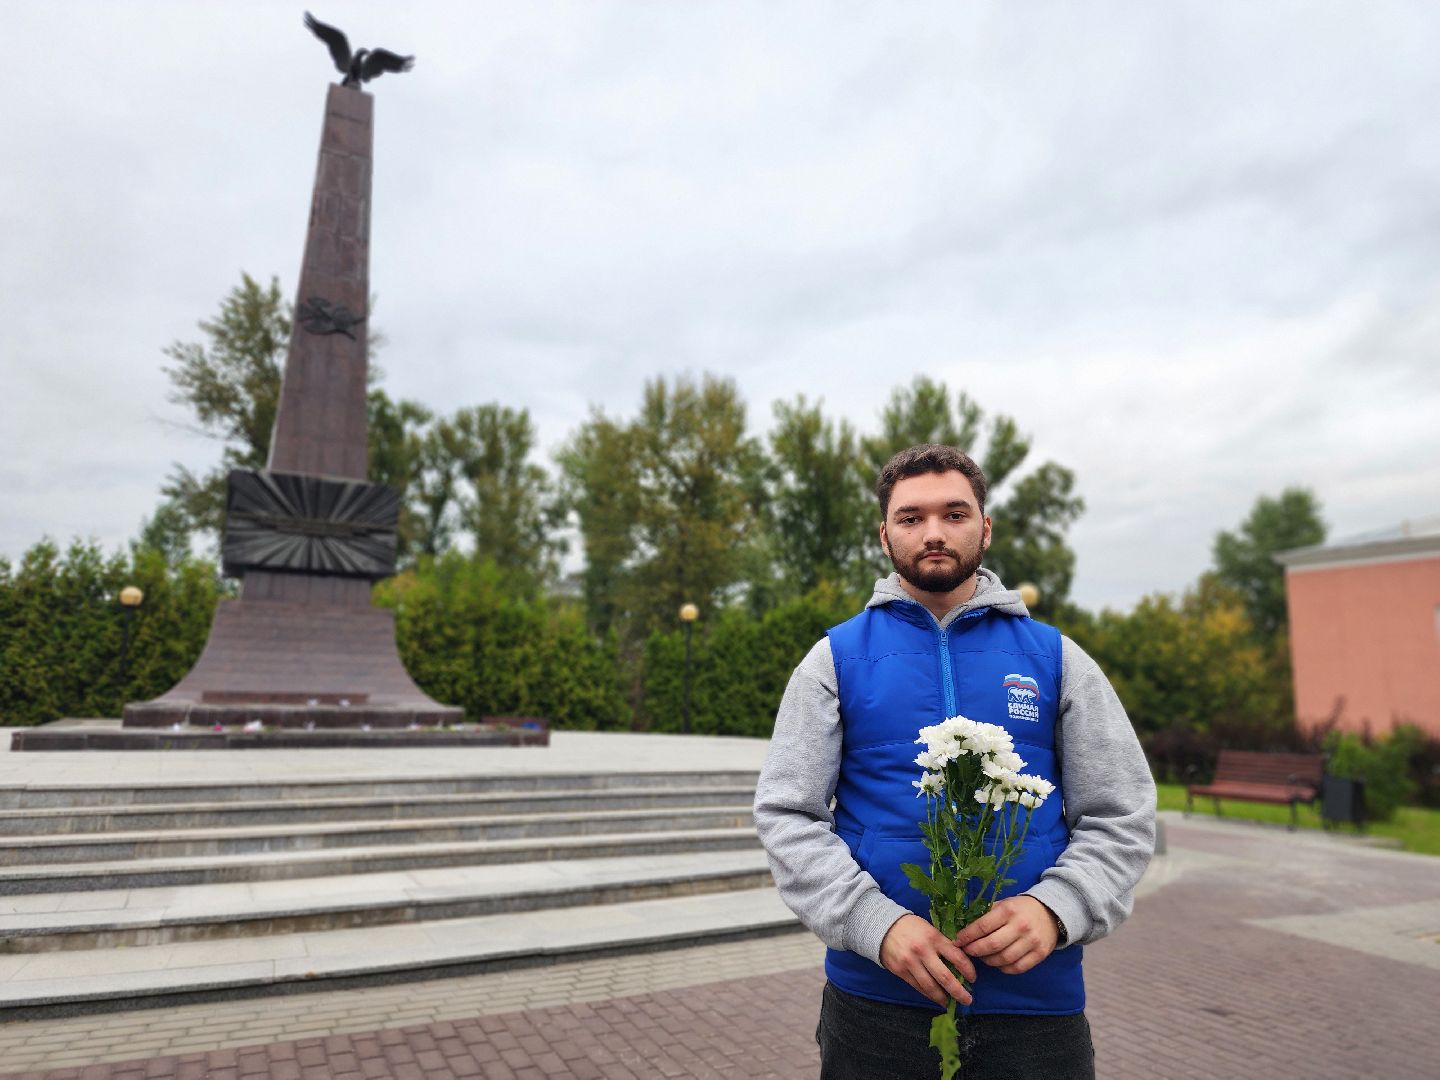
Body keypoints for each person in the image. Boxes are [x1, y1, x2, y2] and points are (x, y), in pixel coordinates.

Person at [753, 444, 1156, 1079]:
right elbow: (787, 815)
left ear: (985, 527)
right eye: (911, 518)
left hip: (1034, 1007)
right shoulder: (835, 658)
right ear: (885, 534)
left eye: (955, 513)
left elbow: (1122, 813)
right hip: (877, 1002)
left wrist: (1057, 908)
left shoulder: (1056, 658)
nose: (934, 533)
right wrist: (876, 926)